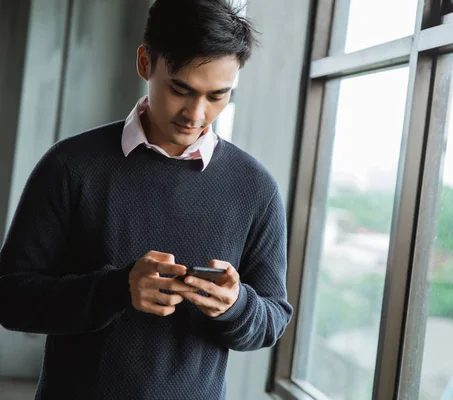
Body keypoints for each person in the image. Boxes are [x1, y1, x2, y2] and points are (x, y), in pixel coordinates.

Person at [0, 0, 293, 399]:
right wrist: (116, 289)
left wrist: (237, 304)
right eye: (180, 89)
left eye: (217, 95)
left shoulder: (255, 188)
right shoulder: (69, 166)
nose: (196, 113)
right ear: (144, 63)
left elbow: (273, 319)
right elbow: (11, 297)